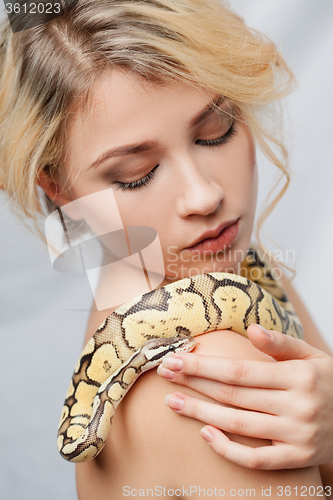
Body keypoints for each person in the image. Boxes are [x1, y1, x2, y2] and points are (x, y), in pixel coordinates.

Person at [0, 0, 332, 498]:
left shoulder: (227, 264)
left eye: (217, 129)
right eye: (137, 175)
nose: (205, 197)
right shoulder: (213, 373)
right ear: (60, 188)